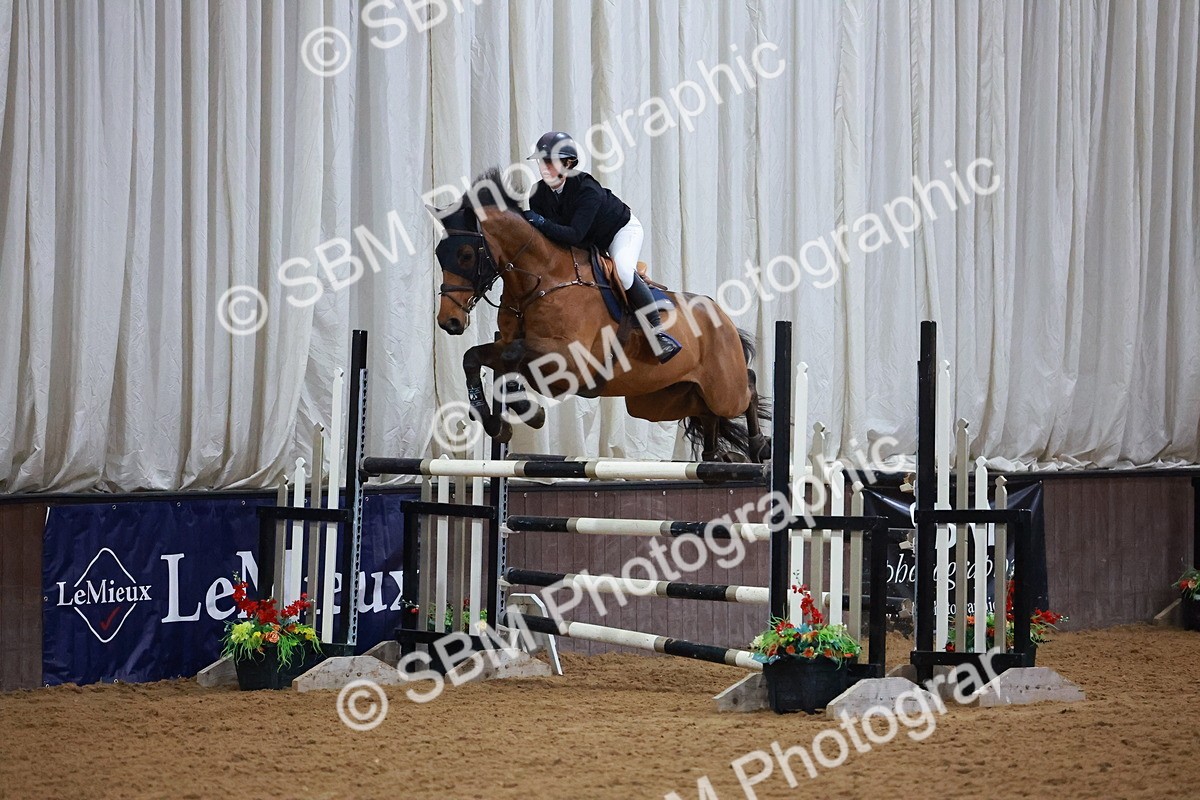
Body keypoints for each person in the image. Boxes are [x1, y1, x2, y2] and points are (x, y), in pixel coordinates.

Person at [523, 131, 682, 363]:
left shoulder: (587, 189)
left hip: (619, 231)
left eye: (551, 162)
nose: (544, 167)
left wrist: (541, 222)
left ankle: (658, 333)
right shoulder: (537, 194)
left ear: (568, 163)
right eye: (541, 162)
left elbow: (574, 234)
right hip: (588, 240)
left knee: (623, 271)